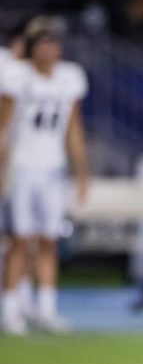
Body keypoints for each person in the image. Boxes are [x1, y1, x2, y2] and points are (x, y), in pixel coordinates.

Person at [0, 17, 90, 335]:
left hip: (53, 168)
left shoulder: (69, 77)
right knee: (20, 240)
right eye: (42, 42)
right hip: (22, 167)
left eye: (53, 42)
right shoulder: (16, 76)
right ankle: (11, 309)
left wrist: (82, 172)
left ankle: (46, 308)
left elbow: (73, 129)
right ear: (31, 46)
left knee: (50, 240)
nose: (49, 48)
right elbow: (3, 127)